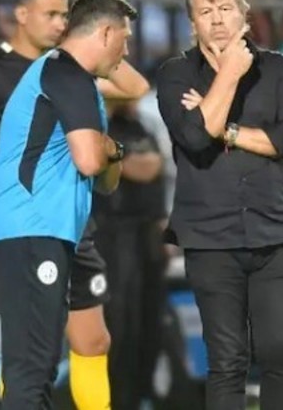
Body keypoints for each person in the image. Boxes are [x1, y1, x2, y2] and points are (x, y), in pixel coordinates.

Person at [0, 0, 148, 408]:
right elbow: (90, 160)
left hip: (56, 227)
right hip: (28, 225)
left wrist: (111, 150)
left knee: (56, 354)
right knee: (31, 364)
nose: (127, 52)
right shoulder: (57, 74)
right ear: (106, 33)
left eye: (66, 15)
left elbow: (105, 177)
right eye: (124, 40)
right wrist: (108, 149)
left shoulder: (73, 78)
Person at [156, 0, 283, 410]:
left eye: (225, 8)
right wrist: (228, 74)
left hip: (272, 232)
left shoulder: (277, 69)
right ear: (192, 23)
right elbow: (193, 138)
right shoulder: (175, 74)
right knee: (227, 361)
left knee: (282, 351)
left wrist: (226, 129)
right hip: (209, 238)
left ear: (244, 12)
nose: (218, 20)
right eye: (206, 12)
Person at [91, 98, 169, 410]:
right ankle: (113, 400)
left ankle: (140, 397)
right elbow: (140, 167)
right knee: (117, 324)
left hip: (147, 236)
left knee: (149, 323)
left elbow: (153, 167)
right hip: (110, 236)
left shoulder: (141, 126)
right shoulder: (92, 127)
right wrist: (132, 163)